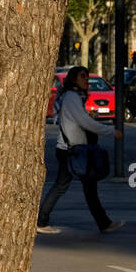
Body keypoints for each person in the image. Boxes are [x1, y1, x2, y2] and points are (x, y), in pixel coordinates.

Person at [37, 66, 124, 235]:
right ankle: (41, 221)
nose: (86, 80)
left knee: (89, 188)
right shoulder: (71, 97)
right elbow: (85, 122)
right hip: (70, 150)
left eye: (87, 77)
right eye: (83, 77)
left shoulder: (75, 97)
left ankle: (104, 223)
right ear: (74, 80)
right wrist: (111, 131)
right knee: (61, 186)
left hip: (77, 150)